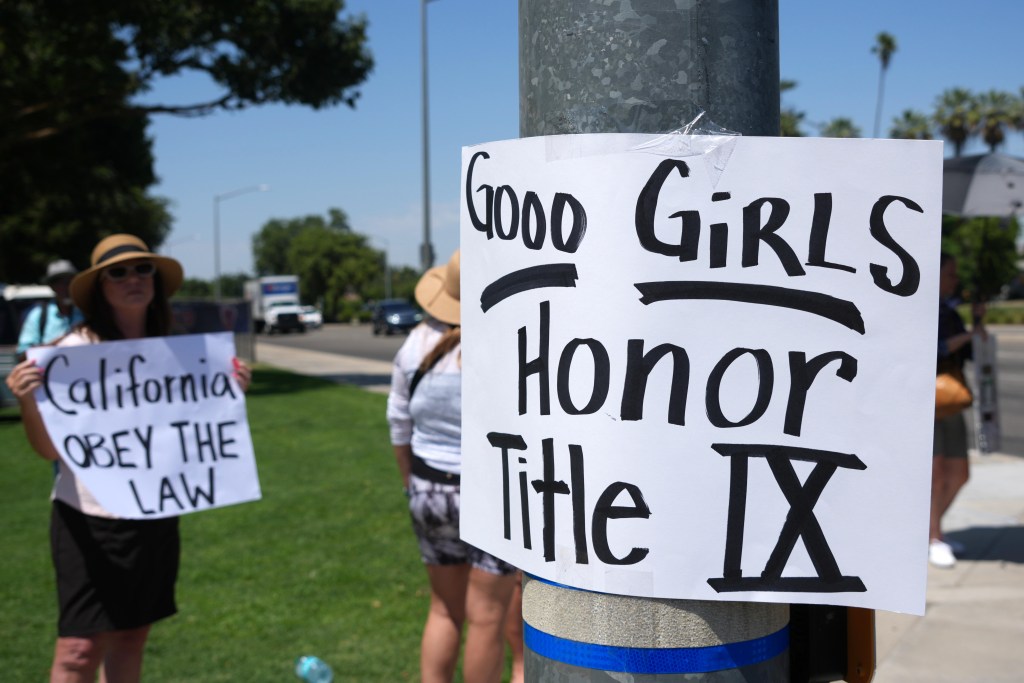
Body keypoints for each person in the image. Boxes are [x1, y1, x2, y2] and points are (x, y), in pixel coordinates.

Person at [4, 234, 252, 683]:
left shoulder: (180, 352)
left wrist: (228, 390)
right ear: (99, 287)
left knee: (133, 635)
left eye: (143, 269)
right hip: (88, 519)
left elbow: (193, 425)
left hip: (156, 512)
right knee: (79, 650)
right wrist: (27, 402)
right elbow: (48, 451)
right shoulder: (70, 355)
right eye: (117, 272)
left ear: (156, 280)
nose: (132, 279)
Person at [387, 250, 523, 683]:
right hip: (490, 497)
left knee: (444, 610)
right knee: (487, 617)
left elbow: (399, 425)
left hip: (428, 490)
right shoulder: (503, 344)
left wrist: (409, 483)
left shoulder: (414, 345)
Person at [930, 252, 985, 569]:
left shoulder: (949, 312)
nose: (955, 280)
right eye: (950, 274)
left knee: (959, 472)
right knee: (935, 474)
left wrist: (976, 325)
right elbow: (934, 349)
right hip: (929, 400)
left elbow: (969, 352)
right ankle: (934, 537)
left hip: (952, 396)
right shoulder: (924, 310)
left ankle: (931, 530)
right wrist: (967, 335)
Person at [16, 259, 85, 359]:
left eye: (70, 281)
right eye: (60, 282)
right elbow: (22, 354)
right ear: (52, 286)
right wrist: (56, 345)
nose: (66, 287)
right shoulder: (38, 315)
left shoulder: (87, 312)